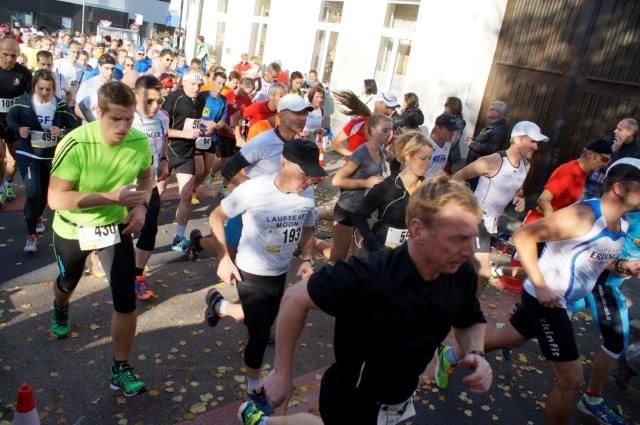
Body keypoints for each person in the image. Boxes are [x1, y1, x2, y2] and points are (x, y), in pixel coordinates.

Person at [263, 173, 493, 424]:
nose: (470, 251)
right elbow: (295, 297)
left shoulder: (461, 273)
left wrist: (475, 353)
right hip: (352, 402)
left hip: (399, 401)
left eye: (472, 238)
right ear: (418, 230)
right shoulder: (371, 275)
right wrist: (282, 373)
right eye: (458, 239)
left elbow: (470, 319)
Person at [478, 158, 640, 425]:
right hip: (549, 300)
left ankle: (450, 353)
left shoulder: (621, 225)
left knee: (512, 337)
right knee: (572, 380)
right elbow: (524, 236)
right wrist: (541, 287)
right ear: (619, 188)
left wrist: (622, 265)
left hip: (557, 299)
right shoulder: (585, 215)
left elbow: (596, 257)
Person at [204, 139, 327, 415]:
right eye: (304, 173)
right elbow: (215, 216)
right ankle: (253, 387)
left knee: (258, 319)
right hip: (251, 270)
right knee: (259, 334)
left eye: (312, 174)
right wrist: (223, 257)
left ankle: (219, 305)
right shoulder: (253, 190)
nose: (309, 180)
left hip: (280, 272)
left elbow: (308, 232)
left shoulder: (307, 195)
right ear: (284, 164)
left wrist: (307, 258)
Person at [47, 81, 152, 396]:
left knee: (125, 297)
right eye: (115, 119)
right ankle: (60, 304)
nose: (123, 127)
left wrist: (142, 208)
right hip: (72, 227)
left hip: (113, 227)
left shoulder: (138, 141)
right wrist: (112, 196)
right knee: (68, 283)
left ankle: (121, 368)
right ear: (98, 113)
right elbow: (55, 199)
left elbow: (146, 178)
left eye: (129, 119)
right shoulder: (76, 143)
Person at [453, 121, 546, 294]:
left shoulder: (526, 166)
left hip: (492, 225)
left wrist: (520, 199)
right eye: (533, 141)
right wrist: (464, 204)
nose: (536, 147)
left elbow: (518, 190)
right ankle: (471, 313)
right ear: (518, 139)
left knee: (462, 266)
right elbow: (456, 178)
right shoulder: (492, 161)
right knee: (483, 272)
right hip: (475, 220)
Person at [6, 69, 80, 253]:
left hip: (51, 156)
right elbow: (10, 118)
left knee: (44, 196)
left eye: (49, 89)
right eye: (41, 89)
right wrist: (19, 130)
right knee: (32, 193)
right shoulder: (23, 103)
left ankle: (37, 216)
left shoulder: (61, 105)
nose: (45, 93)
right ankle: (31, 235)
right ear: (34, 88)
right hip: (28, 154)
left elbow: (75, 127)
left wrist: (61, 131)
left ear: (54, 88)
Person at [318, 114, 390, 261]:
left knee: (359, 257)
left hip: (363, 211)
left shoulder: (381, 150)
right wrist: (366, 183)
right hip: (348, 209)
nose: (389, 134)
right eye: (385, 130)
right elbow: (336, 181)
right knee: (338, 256)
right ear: (372, 131)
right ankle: (308, 241)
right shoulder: (361, 153)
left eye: (390, 130)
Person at [352, 130, 432, 254]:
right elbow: (359, 215)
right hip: (379, 256)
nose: (428, 163)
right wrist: (374, 244)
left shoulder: (428, 190)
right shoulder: (387, 187)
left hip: (409, 256)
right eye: (423, 158)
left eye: (430, 158)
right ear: (407, 156)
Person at [131, 75, 170, 300]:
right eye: (149, 101)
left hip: (150, 183)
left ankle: (138, 276)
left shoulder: (163, 117)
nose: (155, 107)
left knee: (150, 229)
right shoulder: (127, 119)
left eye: (159, 101)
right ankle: (103, 258)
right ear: (137, 97)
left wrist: (164, 159)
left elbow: (164, 139)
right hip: (125, 185)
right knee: (122, 230)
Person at [160, 67, 205, 252]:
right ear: (184, 82)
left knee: (186, 195)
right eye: (193, 84)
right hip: (167, 152)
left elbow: (193, 124)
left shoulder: (201, 100)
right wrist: (185, 134)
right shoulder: (174, 98)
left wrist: (204, 127)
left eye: (199, 84)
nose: (196, 88)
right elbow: (162, 128)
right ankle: (136, 227)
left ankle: (178, 238)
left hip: (187, 153)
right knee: (155, 195)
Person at [0, 37, 32, 208]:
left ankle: (9, 184)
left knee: (14, 158)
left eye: (13, 56)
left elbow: (32, 98)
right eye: (5, 54)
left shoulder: (24, 73)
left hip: (14, 120)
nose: (9, 59)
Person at [192, 71, 227, 205]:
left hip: (211, 138)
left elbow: (223, 121)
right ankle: (190, 192)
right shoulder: (202, 97)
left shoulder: (223, 100)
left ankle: (193, 189)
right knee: (199, 169)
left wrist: (216, 125)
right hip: (198, 136)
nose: (220, 86)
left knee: (206, 171)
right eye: (218, 83)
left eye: (223, 84)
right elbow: (193, 115)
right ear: (212, 81)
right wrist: (205, 123)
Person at [330, 90, 399, 156]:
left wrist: (390, 154)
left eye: (393, 108)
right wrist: (354, 157)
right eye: (388, 107)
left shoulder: (390, 128)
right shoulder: (360, 122)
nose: (391, 111)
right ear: (377, 104)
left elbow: (388, 147)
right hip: (354, 167)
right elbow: (335, 144)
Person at [465, 100, 507, 169]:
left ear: (498, 113)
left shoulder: (499, 129)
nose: (488, 109)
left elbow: (492, 149)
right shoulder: (494, 125)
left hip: (481, 166)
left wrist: (472, 144)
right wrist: (474, 140)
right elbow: (485, 142)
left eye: (492, 109)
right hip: (475, 163)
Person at [75, 54, 117, 122]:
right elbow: (77, 109)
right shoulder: (88, 84)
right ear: (99, 67)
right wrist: (94, 123)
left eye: (113, 69)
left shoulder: (118, 85)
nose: (110, 72)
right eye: (106, 68)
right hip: (91, 127)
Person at [53, 40, 83, 105]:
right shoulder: (58, 63)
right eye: (73, 52)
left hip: (71, 102)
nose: (76, 55)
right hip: (58, 100)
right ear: (68, 51)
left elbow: (79, 85)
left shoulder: (82, 68)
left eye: (78, 52)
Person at [443, 96, 466, 172]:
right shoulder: (443, 116)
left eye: (446, 104)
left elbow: (453, 141)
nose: (444, 105)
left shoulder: (460, 122)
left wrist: (439, 147)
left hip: (448, 155)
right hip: (437, 150)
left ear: (453, 106)